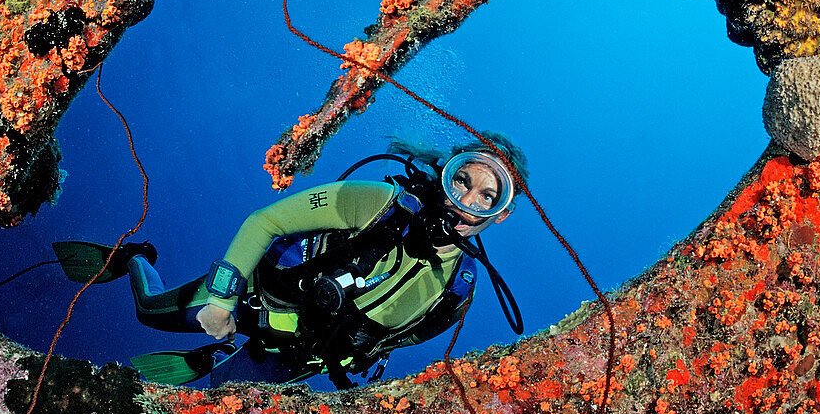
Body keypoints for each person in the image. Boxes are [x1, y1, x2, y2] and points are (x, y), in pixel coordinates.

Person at [53, 132, 528, 388]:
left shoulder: (456, 293)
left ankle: (216, 358)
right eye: (462, 179)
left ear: (501, 215)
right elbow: (266, 222)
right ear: (445, 174)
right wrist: (221, 299)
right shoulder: (378, 202)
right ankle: (135, 258)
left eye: (488, 196)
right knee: (148, 311)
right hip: (249, 298)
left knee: (213, 408)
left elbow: (385, 343)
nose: (465, 200)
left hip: (294, 357)